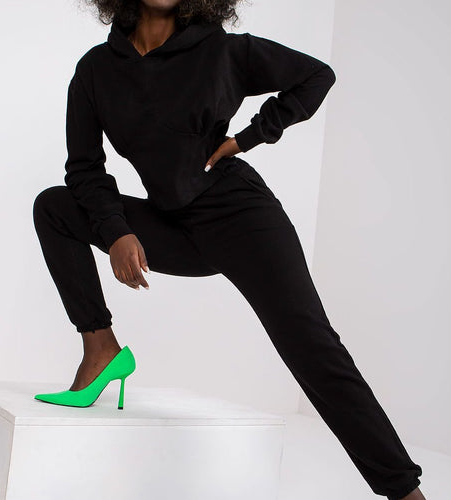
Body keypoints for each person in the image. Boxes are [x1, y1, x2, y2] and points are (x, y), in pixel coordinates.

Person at [31, 1, 425, 499]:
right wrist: (115, 232)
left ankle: (403, 491)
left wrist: (250, 137)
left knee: (312, 346)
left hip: (240, 218)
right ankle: (100, 347)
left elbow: (315, 76)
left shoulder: (222, 51)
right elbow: (84, 167)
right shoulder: (96, 69)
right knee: (54, 206)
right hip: (171, 227)